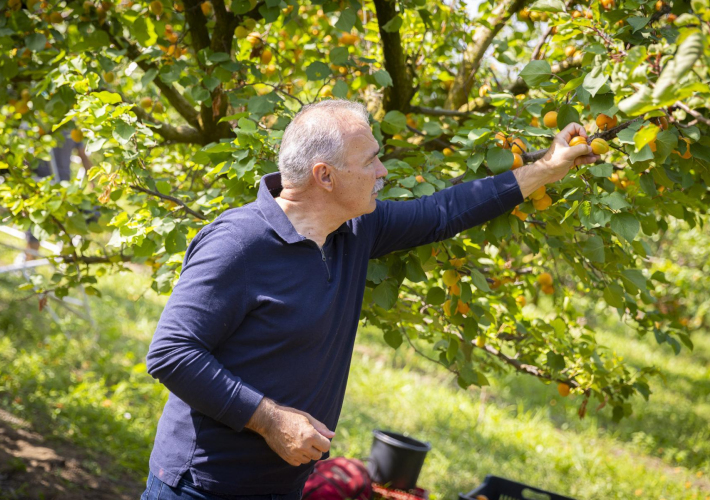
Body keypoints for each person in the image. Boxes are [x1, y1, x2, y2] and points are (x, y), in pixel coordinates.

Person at [142, 99, 599, 499]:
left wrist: (548, 167)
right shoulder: (239, 244)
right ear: (324, 176)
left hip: (283, 484)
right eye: (370, 162)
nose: (383, 172)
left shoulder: (354, 231)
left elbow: (444, 211)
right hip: (202, 487)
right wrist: (269, 420)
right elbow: (171, 352)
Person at [24, 128, 93, 259]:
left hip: (49, 183)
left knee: (40, 223)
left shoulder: (46, 122)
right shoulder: (49, 124)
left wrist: (93, 178)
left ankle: (33, 262)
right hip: (49, 183)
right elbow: (82, 155)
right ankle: (31, 262)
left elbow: (82, 155)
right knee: (40, 224)